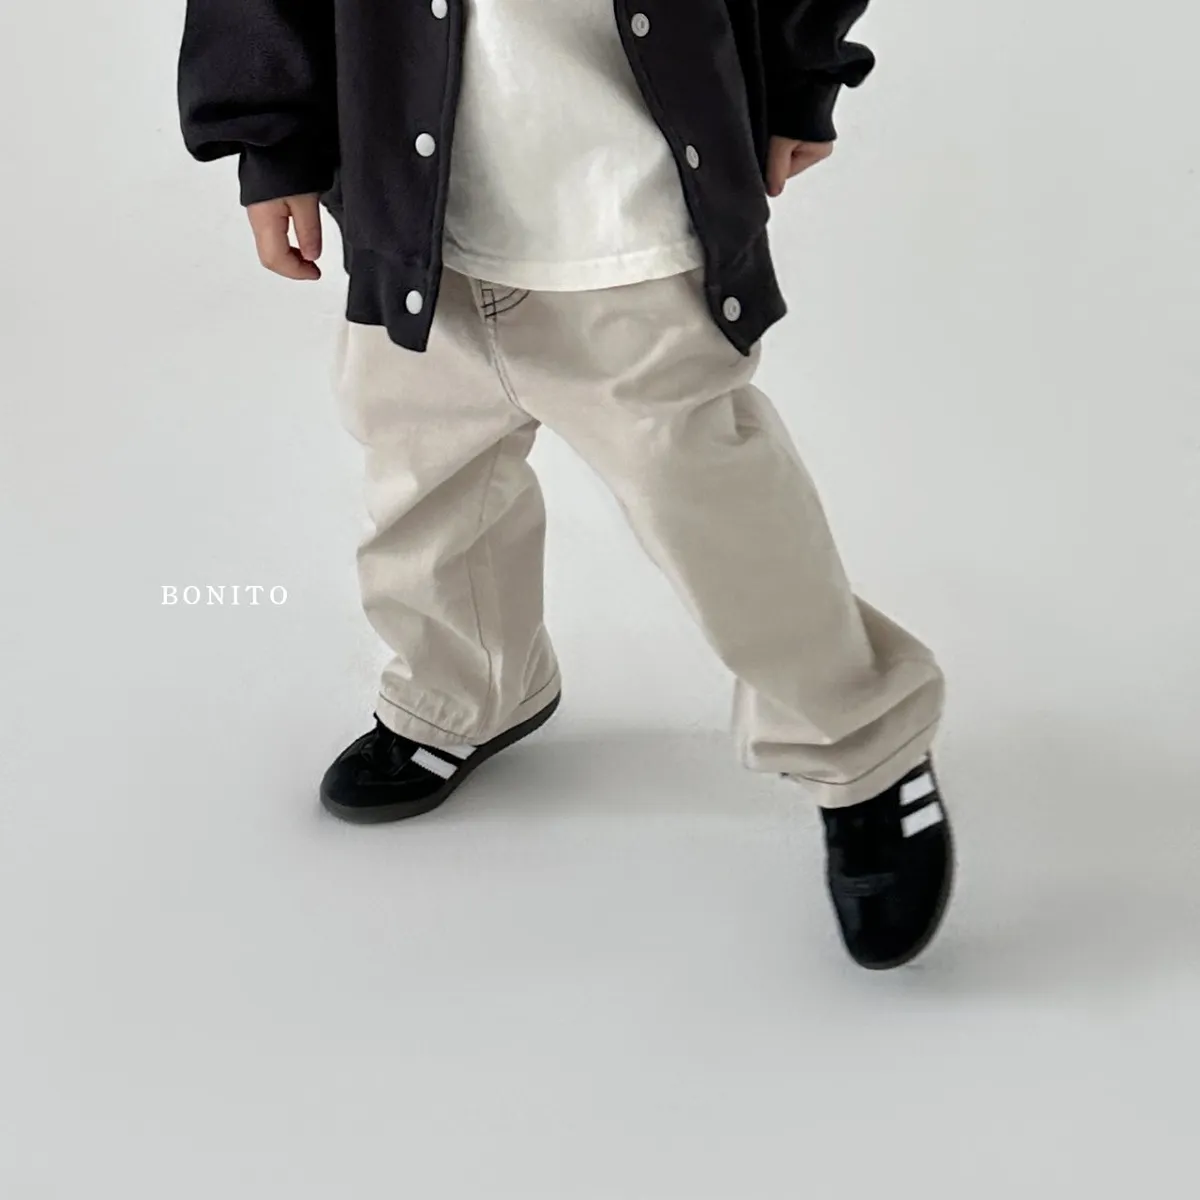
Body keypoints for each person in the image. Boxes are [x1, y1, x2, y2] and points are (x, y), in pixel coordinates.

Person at [177, 0, 954, 970]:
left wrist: (801, 71)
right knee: (422, 490)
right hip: (411, 202)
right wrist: (269, 140)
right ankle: (466, 690)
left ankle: (861, 745)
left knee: (713, 507)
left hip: (630, 200)